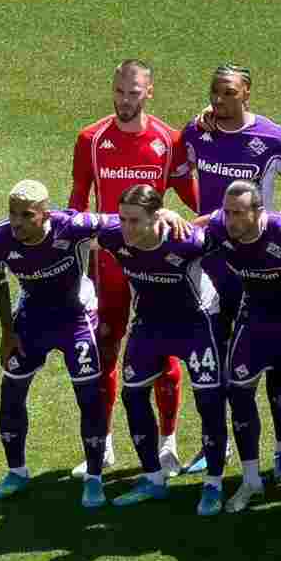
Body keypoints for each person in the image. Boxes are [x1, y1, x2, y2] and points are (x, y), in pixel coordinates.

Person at [68, 59, 198, 479]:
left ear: (149, 92)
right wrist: (75, 258)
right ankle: (103, 443)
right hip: (107, 264)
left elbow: (193, 197)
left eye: (134, 93)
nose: (126, 101)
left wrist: (191, 220)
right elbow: (77, 201)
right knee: (105, 346)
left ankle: (167, 444)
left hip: (156, 264)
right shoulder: (90, 139)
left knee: (163, 349)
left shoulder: (168, 140)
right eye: (120, 92)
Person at [177, 64, 281, 480]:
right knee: (215, 359)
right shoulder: (198, 133)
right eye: (214, 92)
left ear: (247, 93)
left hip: (262, 270)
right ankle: (216, 444)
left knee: (276, 364)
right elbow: (176, 172)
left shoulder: (272, 138)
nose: (219, 100)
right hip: (211, 267)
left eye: (229, 92)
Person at [186, 180, 281, 515]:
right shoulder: (221, 226)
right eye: (228, 212)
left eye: (239, 213)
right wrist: (167, 217)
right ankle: (251, 481)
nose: (231, 220)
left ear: (258, 212)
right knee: (238, 392)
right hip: (256, 319)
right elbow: (194, 227)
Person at [87, 185, 233, 516]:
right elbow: (73, 224)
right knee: (133, 395)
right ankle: (153, 479)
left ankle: (213, 484)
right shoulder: (115, 236)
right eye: (122, 219)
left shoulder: (187, 240)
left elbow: (231, 223)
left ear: (156, 217)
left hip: (196, 325)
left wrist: (185, 218)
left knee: (209, 401)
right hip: (150, 325)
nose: (127, 228)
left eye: (135, 220)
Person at [0, 180, 111, 509]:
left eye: (26, 215)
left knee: (88, 398)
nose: (17, 223)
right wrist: (7, 333)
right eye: (13, 214)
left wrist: (163, 215)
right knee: (10, 393)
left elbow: (118, 221)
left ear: (44, 214)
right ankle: (16, 472)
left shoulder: (71, 226)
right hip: (31, 321)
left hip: (75, 320)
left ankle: (95, 477)